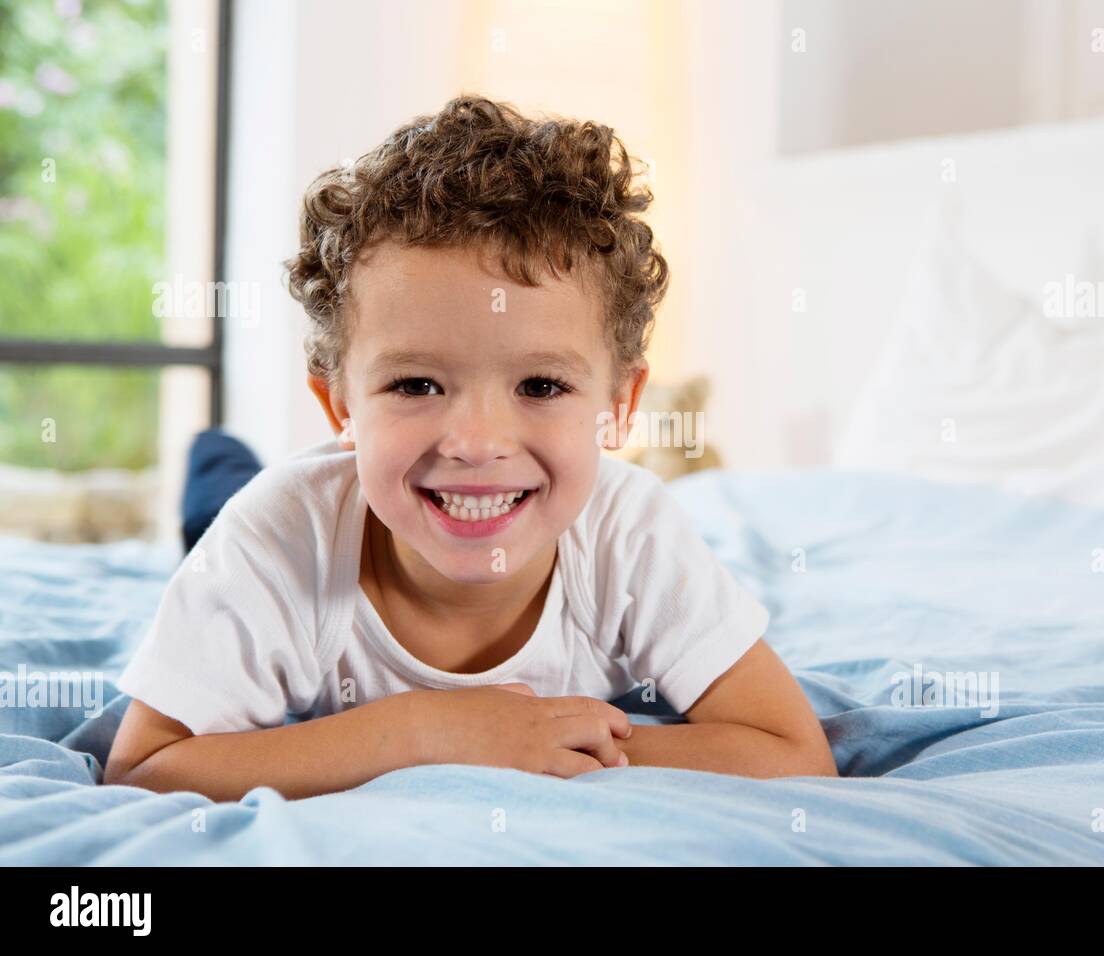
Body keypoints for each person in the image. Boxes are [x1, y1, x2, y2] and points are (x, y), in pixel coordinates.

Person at [105, 95, 836, 801]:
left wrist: (532, 740)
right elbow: (145, 768)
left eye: (542, 386)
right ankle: (217, 458)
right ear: (340, 404)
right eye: (417, 385)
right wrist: (424, 731)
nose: (477, 444)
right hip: (289, 509)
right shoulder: (276, 536)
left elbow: (793, 752)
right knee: (219, 503)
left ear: (619, 407)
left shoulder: (632, 532)